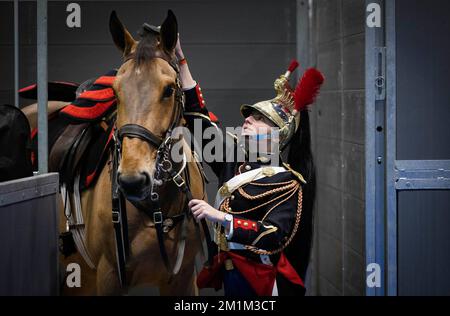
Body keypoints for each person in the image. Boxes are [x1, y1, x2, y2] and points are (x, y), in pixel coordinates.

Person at [175, 36, 324, 296]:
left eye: (258, 119)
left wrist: (218, 216)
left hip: (263, 281)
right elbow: (199, 119)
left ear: (277, 134)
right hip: (230, 272)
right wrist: (180, 59)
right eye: (249, 116)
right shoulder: (234, 160)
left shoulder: (287, 182)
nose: (247, 120)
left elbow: (274, 235)